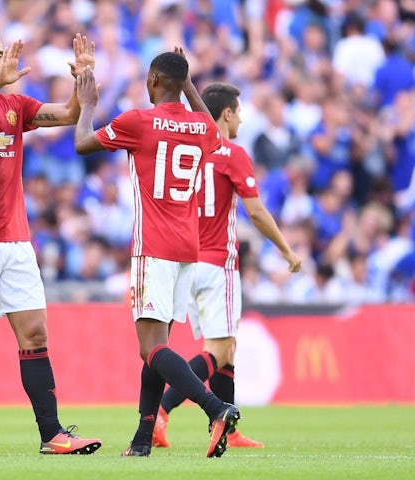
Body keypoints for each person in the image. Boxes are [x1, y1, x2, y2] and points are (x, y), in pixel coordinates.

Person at [0, 29, 101, 456]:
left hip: (15, 240)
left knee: (35, 332)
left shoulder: (15, 106)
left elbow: (67, 113)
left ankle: (52, 434)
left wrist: (84, 79)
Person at [74, 53, 240, 458]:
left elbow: (82, 143)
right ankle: (142, 440)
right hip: (188, 248)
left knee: (152, 348)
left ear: (151, 80)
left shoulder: (138, 121)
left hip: (153, 247)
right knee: (156, 347)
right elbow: (217, 136)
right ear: (181, 82)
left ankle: (216, 409)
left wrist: (88, 104)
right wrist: (189, 85)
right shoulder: (201, 125)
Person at [152, 82, 302, 449]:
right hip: (218, 262)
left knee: (227, 349)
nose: (242, 119)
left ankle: (229, 430)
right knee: (219, 348)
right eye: (239, 111)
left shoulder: (187, 151)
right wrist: (286, 250)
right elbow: (256, 211)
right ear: (228, 114)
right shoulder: (231, 153)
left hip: (184, 261)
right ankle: (162, 410)